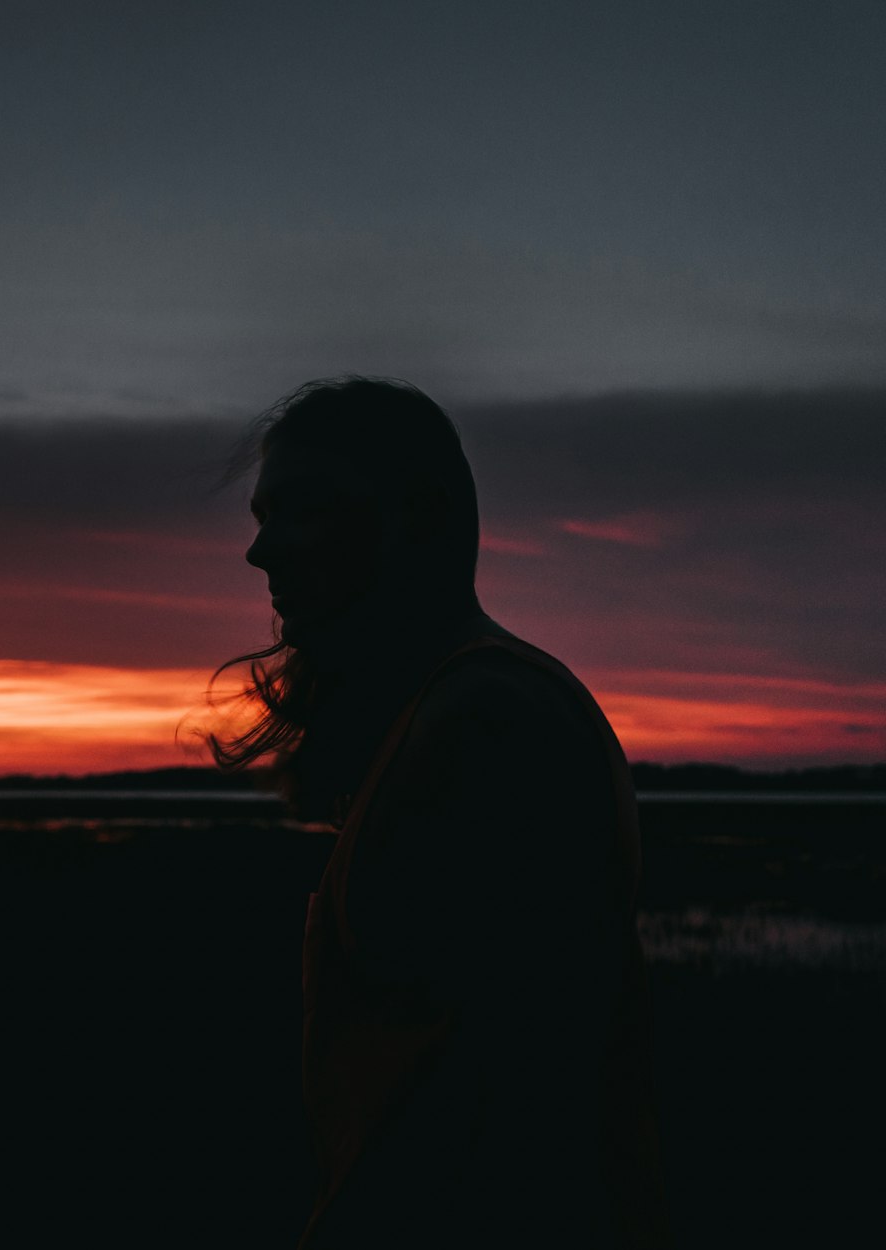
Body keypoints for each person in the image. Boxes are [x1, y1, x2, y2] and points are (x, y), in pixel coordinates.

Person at [209, 377, 671, 1247]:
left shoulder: (487, 718)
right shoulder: (449, 710)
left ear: (423, 516)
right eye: (261, 516)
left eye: (306, 508)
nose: (260, 552)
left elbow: (506, 1096)